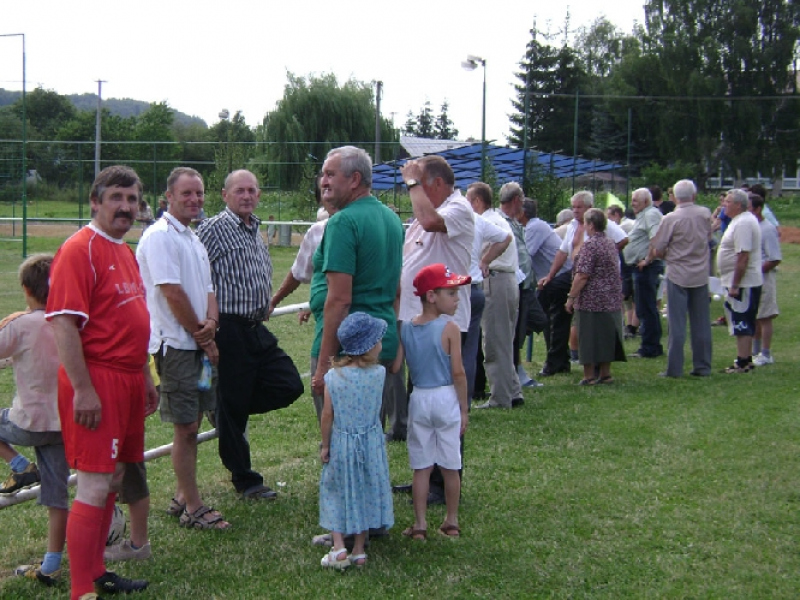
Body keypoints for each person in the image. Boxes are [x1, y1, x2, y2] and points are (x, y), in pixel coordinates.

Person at [45, 165, 158, 600]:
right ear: (96, 202)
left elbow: (131, 319)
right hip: (97, 380)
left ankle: (96, 571)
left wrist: (145, 375)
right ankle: (80, 590)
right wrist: (85, 389)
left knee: (115, 478)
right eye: (117, 198)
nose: (126, 207)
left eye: (133, 200)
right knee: (93, 482)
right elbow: (64, 327)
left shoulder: (123, 249)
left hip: (129, 379)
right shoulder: (79, 249)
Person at [196, 169, 304, 499]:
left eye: (252, 191)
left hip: (256, 327)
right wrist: (207, 326)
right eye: (239, 191)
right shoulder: (213, 229)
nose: (246, 196)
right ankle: (245, 480)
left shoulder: (255, 228)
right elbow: (196, 275)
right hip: (227, 327)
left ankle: (223, 407)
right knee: (234, 401)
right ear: (225, 195)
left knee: (288, 384)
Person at [136, 166, 229, 530]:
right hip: (175, 346)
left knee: (194, 420)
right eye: (186, 193)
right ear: (168, 198)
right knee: (186, 426)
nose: (194, 200)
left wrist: (212, 325)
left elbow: (208, 289)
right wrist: (202, 335)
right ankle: (193, 505)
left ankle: (181, 494)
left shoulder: (193, 238)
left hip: (197, 345)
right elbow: (170, 291)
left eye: (199, 193)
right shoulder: (160, 236)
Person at [309, 147, 405, 441]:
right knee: (369, 437)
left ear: (354, 180)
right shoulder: (390, 218)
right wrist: (396, 342)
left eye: (330, 174)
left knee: (341, 440)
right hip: (382, 344)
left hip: (348, 352)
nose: (323, 181)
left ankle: (348, 488)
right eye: (323, 175)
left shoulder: (343, 222)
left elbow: (339, 299)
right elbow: (396, 289)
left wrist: (324, 364)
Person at [395, 155, 474, 504]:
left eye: (420, 185)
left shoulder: (458, 209)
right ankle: (426, 475)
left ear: (437, 184)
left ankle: (445, 479)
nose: (414, 192)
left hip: (445, 325)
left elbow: (429, 221)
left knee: (444, 399)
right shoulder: (422, 216)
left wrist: (412, 181)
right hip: (419, 321)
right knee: (423, 396)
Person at [2, 254, 70, 587]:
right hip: (62, 426)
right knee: (57, 496)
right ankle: (52, 564)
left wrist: (8, 322)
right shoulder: (70, 322)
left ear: (27, 291)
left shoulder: (20, 324)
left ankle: (18, 465)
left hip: (28, 424)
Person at [394, 263, 470, 540]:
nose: (456, 299)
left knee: (421, 465)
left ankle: (420, 523)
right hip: (445, 396)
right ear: (431, 296)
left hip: (419, 397)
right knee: (450, 463)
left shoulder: (407, 328)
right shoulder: (450, 328)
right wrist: (463, 408)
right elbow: (458, 372)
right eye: (451, 293)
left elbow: (396, 367)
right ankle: (451, 520)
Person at [318, 312, 394, 569]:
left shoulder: (333, 378)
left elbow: (327, 414)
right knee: (363, 491)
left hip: (342, 443)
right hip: (370, 444)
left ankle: (339, 547)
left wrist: (326, 444)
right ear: (369, 346)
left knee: (335, 490)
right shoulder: (379, 374)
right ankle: (359, 550)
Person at [538, 191, 627, 374]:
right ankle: (557, 357)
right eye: (574, 207)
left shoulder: (602, 229)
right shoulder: (572, 226)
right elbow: (562, 252)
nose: (575, 210)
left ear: (589, 209)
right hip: (575, 272)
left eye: (579, 207)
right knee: (549, 291)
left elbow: (623, 239)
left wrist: (603, 260)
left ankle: (592, 364)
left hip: (591, 276)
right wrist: (550, 275)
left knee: (591, 320)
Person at [466, 182, 523, 409]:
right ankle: (512, 390)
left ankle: (500, 398)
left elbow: (500, 241)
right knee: (504, 339)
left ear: (477, 202)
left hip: (496, 281)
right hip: (507, 281)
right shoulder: (499, 219)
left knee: (494, 341)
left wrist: (484, 261)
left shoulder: (486, 221)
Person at [649, 179, 713, 378]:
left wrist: (668, 254)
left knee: (677, 325)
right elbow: (709, 239)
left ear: (675, 197)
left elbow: (657, 247)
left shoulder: (670, 218)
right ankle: (702, 366)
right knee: (701, 323)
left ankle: (674, 368)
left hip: (677, 273)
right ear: (693, 195)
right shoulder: (705, 214)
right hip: (700, 273)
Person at [564, 208, 626, 385]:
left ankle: (589, 375)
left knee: (588, 337)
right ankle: (605, 374)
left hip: (591, 300)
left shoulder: (590, 245)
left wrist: (571, 297)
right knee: (607, 336)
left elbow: (582, 274)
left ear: (591, 225)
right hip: (611, 298)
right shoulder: (610, 243)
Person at [498, 182, 543, 389]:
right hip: (513, 284)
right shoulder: (501, 221)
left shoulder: (515, 222)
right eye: (522, 199)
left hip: (524, 286)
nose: (523, 204)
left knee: (537, 321)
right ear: (516, 200)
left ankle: (514, 367)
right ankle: (515, 371)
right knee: (514, 332)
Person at [716, 188, 762, 373]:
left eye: (727, 202)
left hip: (744, 283)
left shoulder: (743, 223)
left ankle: (742, 362)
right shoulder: (739, 221)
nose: (723, 205)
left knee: (742, 321)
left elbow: (743, 256)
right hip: (740, 282)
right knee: (740, 319)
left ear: (738, 205)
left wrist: (735, 284)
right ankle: (746, 358)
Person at [623, 188, 664, 359]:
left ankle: (650, 347)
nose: (632, 204)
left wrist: (647, 259)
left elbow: (656, 238)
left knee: (645, 308)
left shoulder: (651, 215)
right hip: (638, 267)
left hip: (646, 267)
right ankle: (651, 345)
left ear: (646, 202)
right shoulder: (644, 215)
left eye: (635, 200)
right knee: (643, 307)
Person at [748, 193, 781, 365]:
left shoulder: (767, 229)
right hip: (752, 279)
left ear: (758, 209)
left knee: (765, 316)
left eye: (748, 208)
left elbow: (774, 258)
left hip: (764, 278)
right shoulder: (751, 226)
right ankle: (755, 351)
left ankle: (766, 353)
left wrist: (756, 271)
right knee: (754, 315)